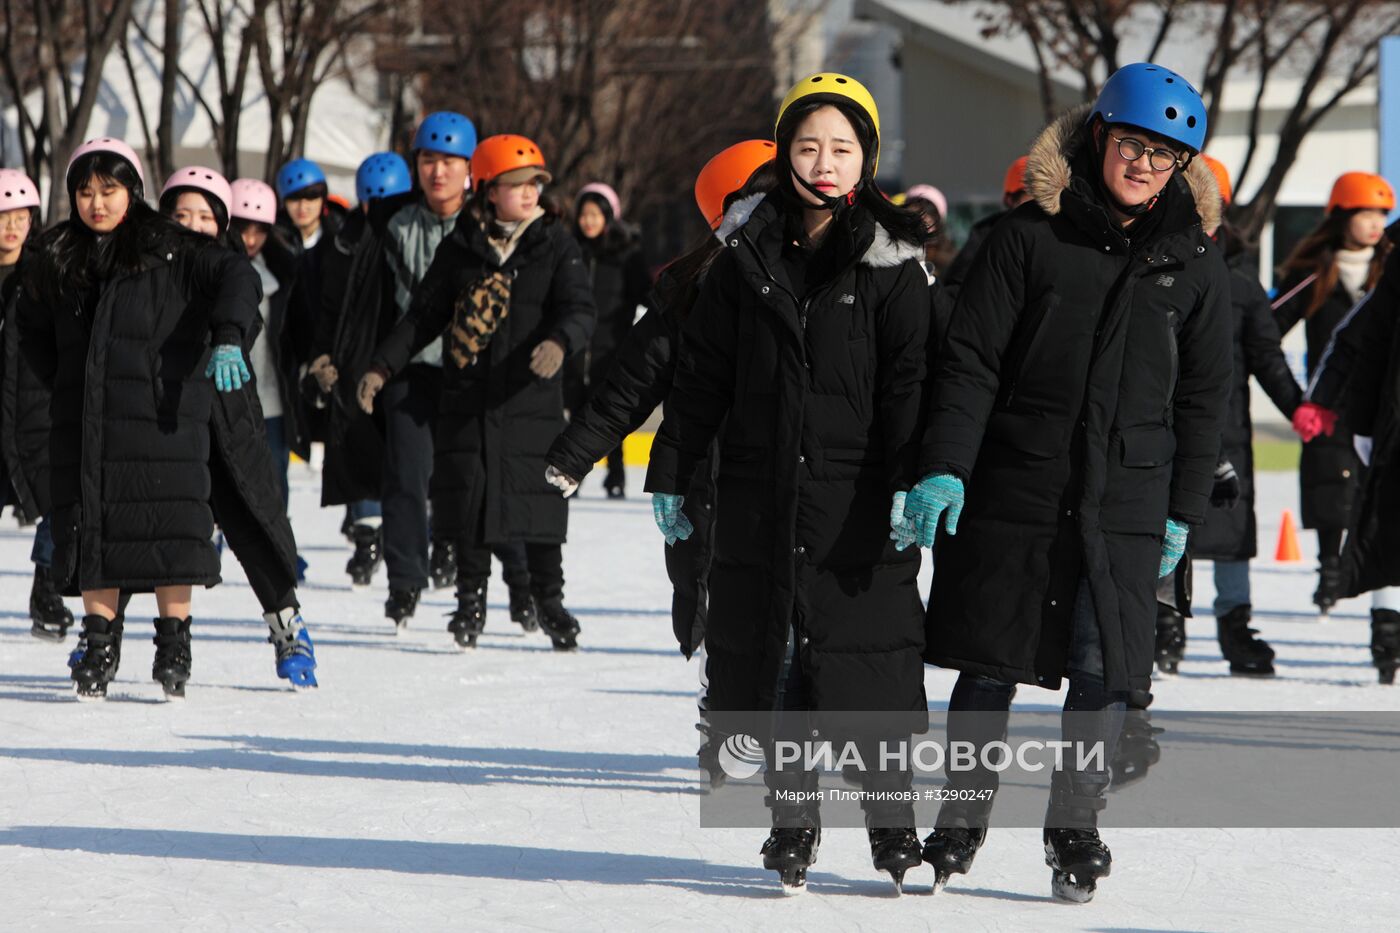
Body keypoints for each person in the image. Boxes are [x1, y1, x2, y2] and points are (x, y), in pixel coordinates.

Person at [898, 63, 1231, 901]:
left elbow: (1204, 400)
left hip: (1129, 498)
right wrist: (945, 464)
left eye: (1166, 156)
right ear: (1098, 137)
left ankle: (1075, 830)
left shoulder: (1193, 265)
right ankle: (956, 829)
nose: (1146, 166)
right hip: (1021, 486)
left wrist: (1184, 509)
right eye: (1133, 145)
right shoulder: (1026, 240)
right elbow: (968, 363)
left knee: (1103, 671)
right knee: (989, 663)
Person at [646, 73, 933, 894]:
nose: (824, 161)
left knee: (869, 667)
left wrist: (918, 478)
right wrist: (672, 467)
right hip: (761, 492)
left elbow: (914, 382)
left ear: (866, 159)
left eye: (842, 147)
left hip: (860, 502)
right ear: (784, 155)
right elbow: (701, 376)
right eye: (807, 145)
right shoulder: (743, 259)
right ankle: (791, 824)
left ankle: (892, 830)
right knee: (779, 666)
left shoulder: (895, 265)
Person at [547, 140, 778, 780]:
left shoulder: (823, 277)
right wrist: (575, 453)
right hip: (706, 478)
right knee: (715, 606)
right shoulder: (691, 293)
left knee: (792, 611)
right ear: (730, 213)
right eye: (763, 196)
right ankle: (723, 722)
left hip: (792, 474)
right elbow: (632, 382)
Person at [16, 140, 262, 698]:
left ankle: (174, 642)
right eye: (85, 192)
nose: (96, 204)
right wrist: (62, 379)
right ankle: (99, 641)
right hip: (84, 421)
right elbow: (30, 327)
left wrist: (227, 336)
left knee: (170, 527)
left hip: (161, 417)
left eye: (109, 191)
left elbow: (237, 278)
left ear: (134, 192)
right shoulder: (59, 256)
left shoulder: (170, 247)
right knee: (91, 528)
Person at [357, 134, 596, 651]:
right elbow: (423, 316)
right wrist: (381, 366)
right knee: (467, 506)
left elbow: (580, 309)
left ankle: (548, 602)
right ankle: (470, 602)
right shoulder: (462, 247)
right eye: (517, 184)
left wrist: (560, 341)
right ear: (489, 190)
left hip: (529, 402)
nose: (530, 193)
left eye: (535, 183)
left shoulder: (554, 243)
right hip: (466, 401)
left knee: (540, 508)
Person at [155, 166, 319, 691]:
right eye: (181, 215)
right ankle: (130, 637)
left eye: (205, 216)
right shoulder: (145, 271)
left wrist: (229, 335)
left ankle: (287, 626)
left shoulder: (231, 267)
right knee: (158, 531)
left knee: (249, 524)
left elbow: (242, 295)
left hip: (224, 418)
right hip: (160, 418)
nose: (193, 224)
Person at [1154, 154, 1301, 678]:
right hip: (1160, 426)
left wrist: (1299, 408)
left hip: (1227, 428)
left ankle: (1235, 625)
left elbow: (1267, 356)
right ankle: (1165, 621)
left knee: (1232, 530)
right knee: (1169, 525)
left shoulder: (1240, 284)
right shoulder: (1155, 266)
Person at [1274, 172, 1394, 616]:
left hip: (1381, 403)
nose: (1376, 224)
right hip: (1329, 402)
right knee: (1328, 486)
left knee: (1378, 491)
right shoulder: (1315, 271)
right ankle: (1329, 569)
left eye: (1381, 214)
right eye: (1366, 213)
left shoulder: (1390, 269)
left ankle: (1373, 576)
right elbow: (1265, 329)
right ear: (1342, 216)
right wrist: (1297, 399)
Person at [1294, 220, 1400, 682]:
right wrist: (1345, 415)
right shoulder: (1334, 273)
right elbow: (1359, 341)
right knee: (1386, 528)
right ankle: (1388, 636)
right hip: (1385, 424)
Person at [305, 152, 415, 589]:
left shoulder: (415, 233)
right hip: (356, 362)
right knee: (358, 447)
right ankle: (367, 536)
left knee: (407, 457)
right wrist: (322, 356)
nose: (377, 212)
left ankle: (414, 535)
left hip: (404, 360)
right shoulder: (345, 241)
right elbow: (329, 308)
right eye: (371, 202)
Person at [0, 168, 72, 639]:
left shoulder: (46, 274)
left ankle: (45, 589)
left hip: (37, 409)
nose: (11, 226)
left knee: (59, 505)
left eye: (20, 217)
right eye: (3, 216)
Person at [565, 182, 651, 498]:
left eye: (594, 214)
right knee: (575, 414)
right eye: (583, 214)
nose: (588, 221)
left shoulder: (626, 255)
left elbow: (646, 292)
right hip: (574, 350)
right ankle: (573, 473)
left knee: (607, 414)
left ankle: (615, 475)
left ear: (607, 217)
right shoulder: (568, 250)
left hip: (612, 347)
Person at [938, 154, 1030, 303]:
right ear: (1010, 200)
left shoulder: (1061, 235)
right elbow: (957, 289)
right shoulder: (986, 235)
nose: (1039, 209)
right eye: (1031, 199)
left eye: (1046, 199)